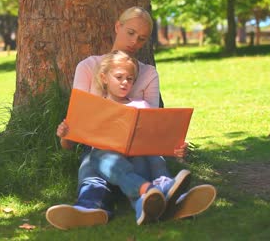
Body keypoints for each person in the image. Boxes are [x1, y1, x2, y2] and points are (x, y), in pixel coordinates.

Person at [46, 6, 216, 230]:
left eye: (142, 38)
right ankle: (106, 203)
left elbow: (153, 131)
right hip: (99, 149)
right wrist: (66, 134)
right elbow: (72, 136)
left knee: (140, 157)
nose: (134, 41)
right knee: (96, 156)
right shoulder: (89, 67)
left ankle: (104, 205)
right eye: (131, 33)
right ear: (118, 26)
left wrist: (173, 148)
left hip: (140, 152)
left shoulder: (147, 74)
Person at [55, 50, 191, 225]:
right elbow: (68, 145)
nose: (124, 83)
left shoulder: (141, 105)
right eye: (119, 77)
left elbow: (158, 140)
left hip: (139, 161)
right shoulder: (94, 107)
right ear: (104, 78)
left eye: (130, 79)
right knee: (98, 154)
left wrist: (177, 148)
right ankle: (151, 192)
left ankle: (154, 195)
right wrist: (64, 135)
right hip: (109, 166)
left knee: (147, 153)